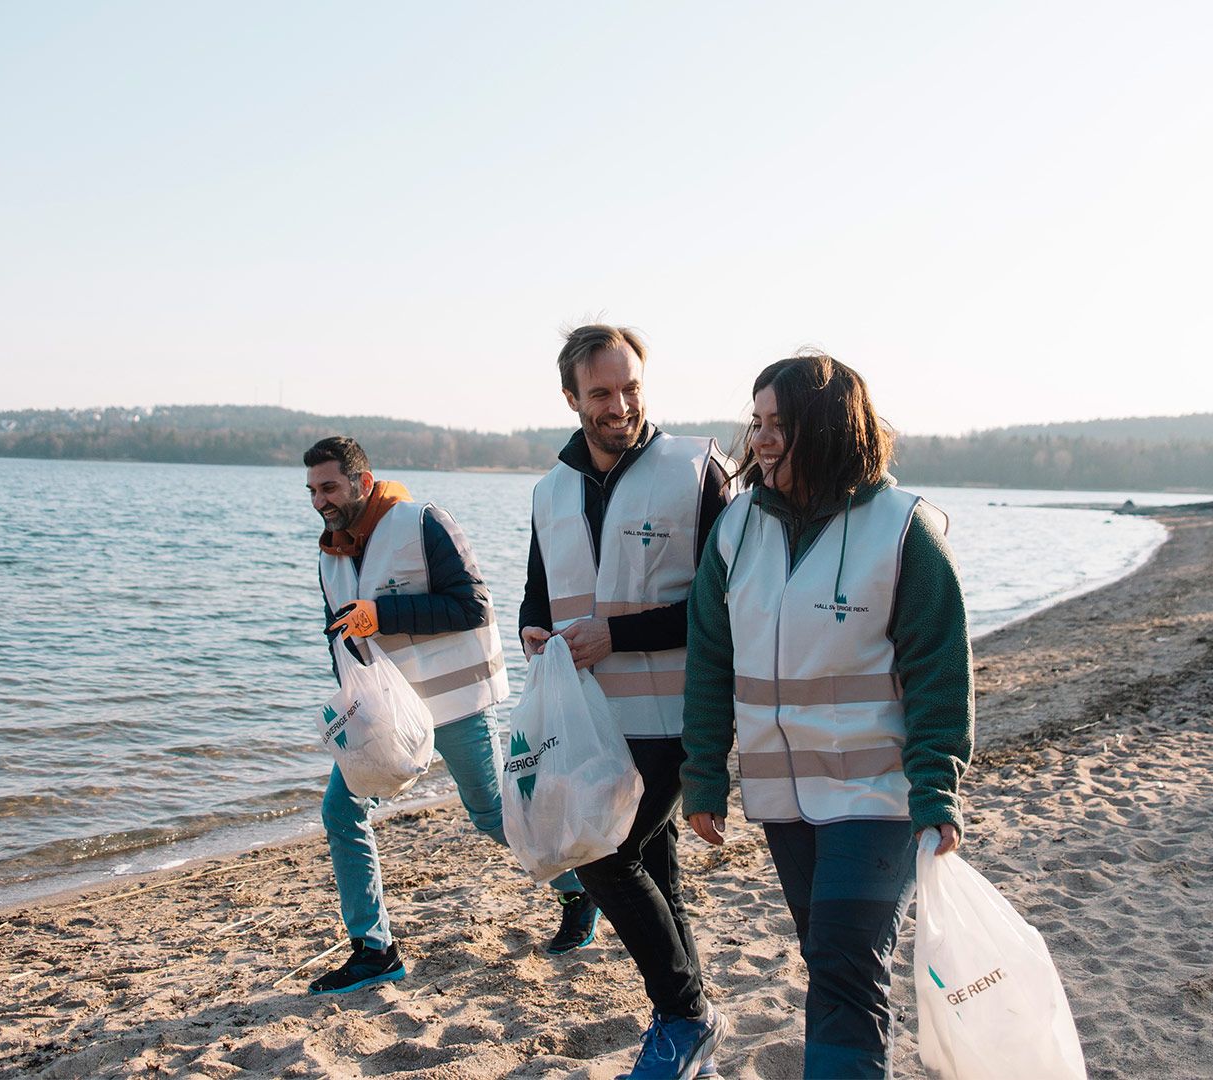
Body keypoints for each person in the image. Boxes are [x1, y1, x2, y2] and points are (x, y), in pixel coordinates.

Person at [680, 353, 973, 1078]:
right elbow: (711, 661)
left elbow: (940, 671)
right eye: (757, 422)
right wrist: (704, 777)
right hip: (784, 801)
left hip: (881, 798)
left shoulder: (905, 530)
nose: (762, 439)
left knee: (845, 964)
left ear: (831, 428)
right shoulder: (736, 529)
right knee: (831, 959)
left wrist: (938, 789)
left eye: (781, 423)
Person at [520, 324, 734, 1079]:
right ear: (572, 397)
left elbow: (725, 603)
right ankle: (693, 1033)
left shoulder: (698, 469)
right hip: (591, 723)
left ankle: (683, 1015)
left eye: (631, 387)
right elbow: (535, 596)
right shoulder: (550, 490)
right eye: (603, 392)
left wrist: (619, 635)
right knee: (650, 866)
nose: (621, 404)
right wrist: (533, 632)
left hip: (675, 715)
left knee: (600, 851)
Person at [304, 435, 585, 994]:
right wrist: (349, 703)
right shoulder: (329, 550)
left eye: (329, 487)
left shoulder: (424, 521)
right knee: (340, 811)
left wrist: (381, 614)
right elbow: (339, 632)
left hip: (454, 704)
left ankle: (582, 886)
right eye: (312, 490)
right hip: (384, 718)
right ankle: (375, 949)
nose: (319, 500)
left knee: (490, 817)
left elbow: (472, 605)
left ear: (362, 482)